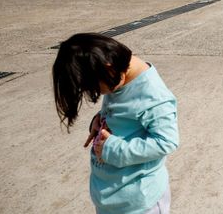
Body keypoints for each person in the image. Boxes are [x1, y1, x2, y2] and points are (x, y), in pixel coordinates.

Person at [52, 33, 179, 213]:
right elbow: (125, 112)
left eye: (94, 89)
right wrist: (100, 119)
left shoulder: (154, 97)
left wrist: (112, 148)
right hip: (111, 197)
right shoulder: (118, 77)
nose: (98, 95)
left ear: (109, 69)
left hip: (138, 203)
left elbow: (166, 142)